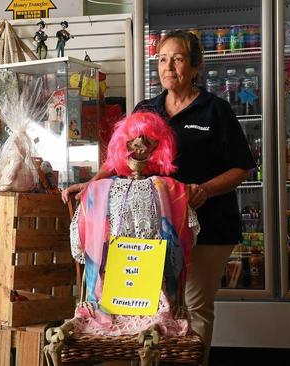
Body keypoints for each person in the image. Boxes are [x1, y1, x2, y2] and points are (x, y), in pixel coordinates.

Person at [62, 30, 255, 365]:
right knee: (153, 307)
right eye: (163, 59)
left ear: (195, 67)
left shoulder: (215, 111)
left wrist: (205, 189)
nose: (169, 66)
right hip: (153, 231)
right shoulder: (146, 109)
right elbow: (120, 160)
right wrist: (91, 184)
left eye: (178, 59)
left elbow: (243, 168)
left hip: (208, 228)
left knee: (192, 307)